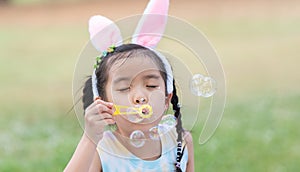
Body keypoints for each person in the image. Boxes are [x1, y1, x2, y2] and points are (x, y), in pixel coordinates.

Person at [65, 0, 194, 171]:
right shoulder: (101, 149)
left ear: (166, 99)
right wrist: (89, 138)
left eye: (151, 85)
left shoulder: (181, 140)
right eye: (125, 88)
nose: (140, 97)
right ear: (104, 103)